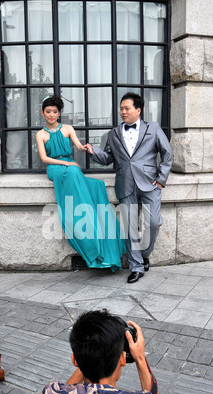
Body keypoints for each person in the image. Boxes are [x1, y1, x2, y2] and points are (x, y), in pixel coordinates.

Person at [37, 309, 167, 394]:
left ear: (74, 360)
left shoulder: (50, 392)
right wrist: (140, 358)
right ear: (123, 359)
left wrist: (88, 356)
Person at [86, 92, 172, 284]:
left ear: (138, 110)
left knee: (154, 222)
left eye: (127, 108)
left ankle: (143, 254)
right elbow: (108, 158)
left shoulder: (154, 128)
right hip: (125, 183)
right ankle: (136, 267)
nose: (123, 112)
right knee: (131, 227)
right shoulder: (114, 133)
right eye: (121, 108)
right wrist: (94, 151)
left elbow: (167, 155)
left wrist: (160, 179)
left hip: (150, 183)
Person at [36, 95, 126, 272]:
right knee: (74, 170)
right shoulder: (40, 134)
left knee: (96, 186)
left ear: (59, 113)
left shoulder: (68, 128)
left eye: (55, 111)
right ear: (42, 113)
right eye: (48, 112)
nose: (51, 115)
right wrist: (66, 163)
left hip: (71, 169)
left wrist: (87, 148)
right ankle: (89, 231)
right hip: (56, 168)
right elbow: (44, 158)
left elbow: (78, 146)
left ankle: (98, 230)